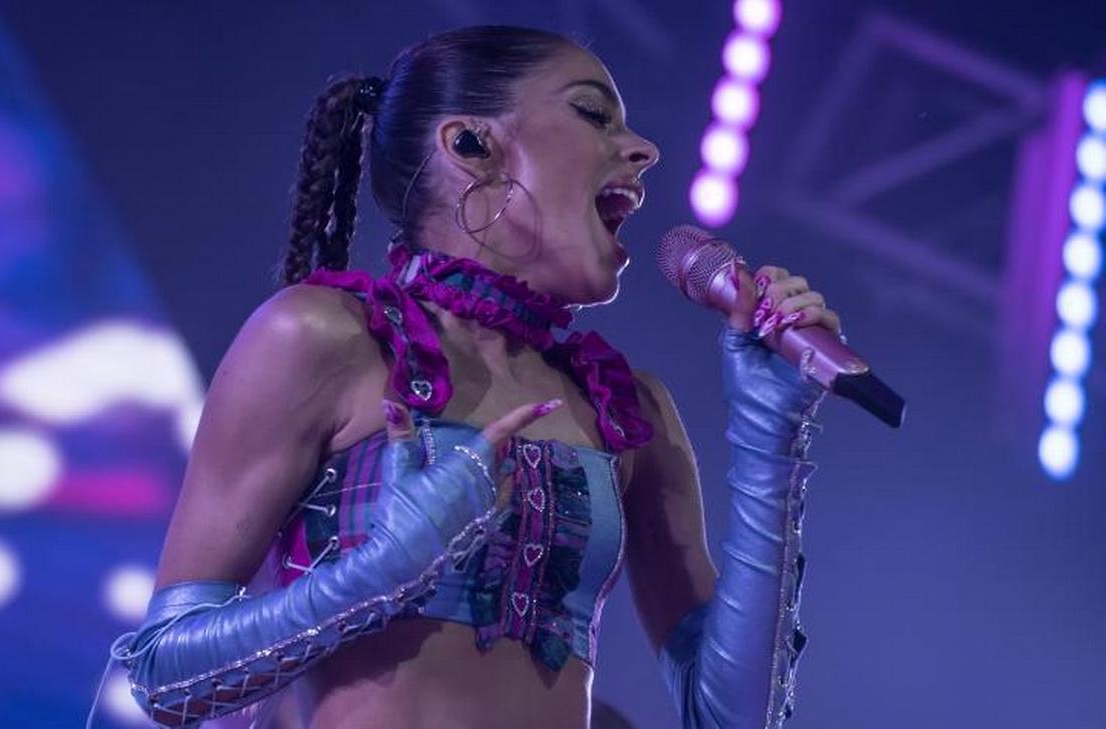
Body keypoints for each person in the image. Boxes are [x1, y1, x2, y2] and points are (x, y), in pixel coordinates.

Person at [101, 24, 842, 729]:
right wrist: (381, 572)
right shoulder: (324, 337)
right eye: (593, 114)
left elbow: (735, 717)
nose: (643, 149)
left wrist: (771, 435)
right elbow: (165, 676)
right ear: (470, 145)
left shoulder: (626, 411)